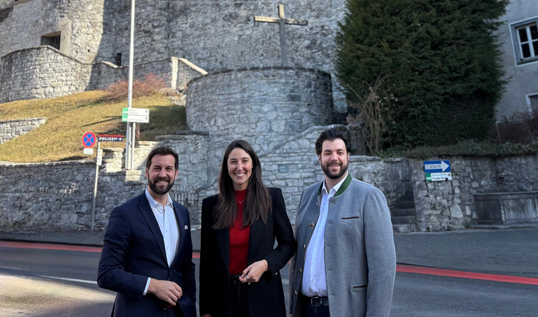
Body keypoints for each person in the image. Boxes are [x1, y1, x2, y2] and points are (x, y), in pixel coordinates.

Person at [289, 129, 396, 317]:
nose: (334, 158)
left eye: (339, 152)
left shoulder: (369, 196)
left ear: (348, 156)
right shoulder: (307, 195)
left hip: (346, 310)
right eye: (327, 153)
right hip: (305, 309)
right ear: (319, 158)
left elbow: (383, 270)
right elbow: (297, 257)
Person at [200, 139, 296, 317]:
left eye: (245, 160)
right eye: (233, 162)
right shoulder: (211, 205)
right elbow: (207, 262)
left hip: (264, 299)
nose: (239, 167)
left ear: (253, 164)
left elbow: (288, 244)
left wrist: (265, 264)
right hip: (224, 301)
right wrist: (205, 311)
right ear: (226, 167)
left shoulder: (272, 198)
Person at [97, 145, 196, 317]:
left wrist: (189, 305)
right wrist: (154, 286)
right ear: (146, 172)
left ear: (176, 173)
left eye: (168, 169)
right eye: (157, 168)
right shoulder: (125, 214)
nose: (163, 174)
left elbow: (186, 267)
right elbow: (106, 274)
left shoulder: (182, 213)